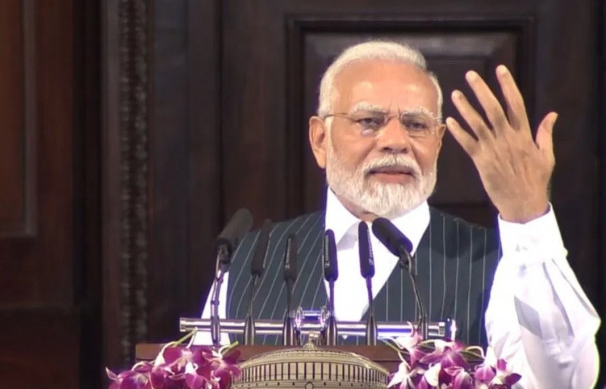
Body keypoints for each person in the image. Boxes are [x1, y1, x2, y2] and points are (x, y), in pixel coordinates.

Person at [198, 41, 600, 388]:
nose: (395, 141)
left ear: (438, 143)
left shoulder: (497, 262)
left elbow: (565, 380)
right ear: (320, 140)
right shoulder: (250, 260)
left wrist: (528, 220)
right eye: (369, 122)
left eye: (416, 124)